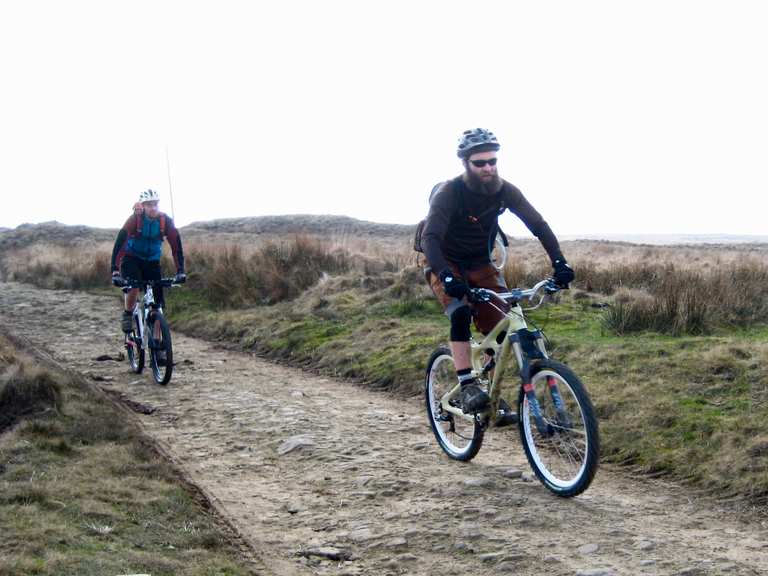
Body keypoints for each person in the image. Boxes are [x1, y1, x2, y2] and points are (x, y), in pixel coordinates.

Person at [420, 128, 574, 415]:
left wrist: (560, 262)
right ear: (465, 163)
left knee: (502, 327)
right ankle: (466, 385)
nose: (488, 167)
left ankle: (491, 394)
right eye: (480, 163)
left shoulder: (504, 190)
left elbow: (538, 225)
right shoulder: (449, 192)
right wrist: (446, 275)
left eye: (492, 161)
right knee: (461, 312)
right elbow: (430, 239)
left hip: (481, 263)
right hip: (445, 261)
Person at [110, 189, 186, 343]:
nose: (153, 207)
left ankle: (157, 343)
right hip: (131, 259)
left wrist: (180, 271)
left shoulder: (165, 221)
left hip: (152, 262)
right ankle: (128, 314)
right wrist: (115, 271)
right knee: (134, 287)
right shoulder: (135, 220)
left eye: (155, 204)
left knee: (157, 305)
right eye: (149, 205)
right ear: (142, 206)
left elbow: (176, 247)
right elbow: (120, 244)